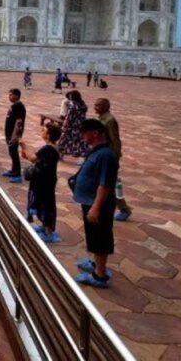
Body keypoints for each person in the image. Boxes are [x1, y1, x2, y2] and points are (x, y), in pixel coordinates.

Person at [72, 119, 119, 288]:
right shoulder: (97, 151)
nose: (82, 136)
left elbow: (105, 184)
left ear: (96, 133)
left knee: (100, 238)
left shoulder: (106, 155)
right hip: (90, 201)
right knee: (94, 236)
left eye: (85, 132)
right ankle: (96, 263)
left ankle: (99, 275)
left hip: (98, 204)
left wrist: (96, 207)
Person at [20, 124, 61, 242]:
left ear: (48, 135)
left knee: (46, 204)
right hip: (47, 179)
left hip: (44, 181)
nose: (41, 131)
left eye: (44, 130)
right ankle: (44, 227)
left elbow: (33, 158)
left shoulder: (48, 149)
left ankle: (48, 232)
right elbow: (37, 160)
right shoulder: (52, 147)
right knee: (43, 203)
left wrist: (24, 146)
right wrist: (26, 154)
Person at [94, 98, 133, 221]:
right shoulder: (101, 118)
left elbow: (115, 140)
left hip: (109, 156)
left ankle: (124, 209)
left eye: (98, 105)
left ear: (106, 106)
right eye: (95, 105)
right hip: (101, 154)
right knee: (99, 181)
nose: (95, 107)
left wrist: (115, 158)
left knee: (110, 183)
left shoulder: (110, 121)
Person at [2, 88, 27, 182]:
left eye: (11, 95)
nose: (9, 97)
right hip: (9, 134)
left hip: (14, 135)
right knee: (11, 152)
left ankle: (17, 174)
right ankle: (13, 170)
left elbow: (19, 122)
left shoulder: (19, 106)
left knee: (14, 153)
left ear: (17, 95)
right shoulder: (14, 105)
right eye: (9, 95)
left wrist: (15, 136)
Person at [56, 90, 89, 158]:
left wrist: (64, 125)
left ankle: (60, 155)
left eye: (70, 97)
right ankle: (83, 155)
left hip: (72, 126)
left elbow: (68, 117)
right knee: (79, 141)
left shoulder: (73, 106)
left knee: (63, 140)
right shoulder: (82, 104)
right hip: (80, 125)